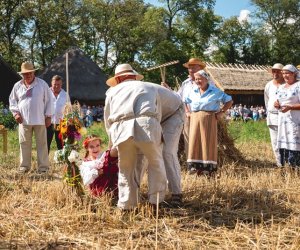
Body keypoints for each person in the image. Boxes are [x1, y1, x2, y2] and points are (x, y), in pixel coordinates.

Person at [104, 63, 167, 210]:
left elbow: (108, 119)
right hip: (148, 124)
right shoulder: (150, 87)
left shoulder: (111, 92)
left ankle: (126, 205)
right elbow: (158, 113)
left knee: (125, 168)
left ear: (118, 79)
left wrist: (112, 142)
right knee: (156, 163)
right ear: (133, 76)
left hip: (121, 127)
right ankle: (155, 202)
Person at [135, 85, 185, 207]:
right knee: (141, 152)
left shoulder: (144, 90)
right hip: (155, 117)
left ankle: (176, 193)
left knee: (167, 152)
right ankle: (133, 193)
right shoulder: (122, 94)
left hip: (174, 113)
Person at [185, 70, 233, 175]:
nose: (198, 81)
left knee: (207, 142)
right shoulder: (193, 91)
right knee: (194, 141)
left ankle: (207, 169)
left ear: (206, 79)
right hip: (194, 119)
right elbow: (185, 101)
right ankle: (194, 168)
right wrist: (188, 112)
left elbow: (229, 100)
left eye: (200, 79)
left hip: (209, 118)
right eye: (196, 79)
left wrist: (221, 112)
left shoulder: (215, 91)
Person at [9, 62, 53, 174]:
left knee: (42, 144)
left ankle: (43, 168)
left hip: (40, 119)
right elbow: (12, 101)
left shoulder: (42, 84)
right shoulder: (17, 86)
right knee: (24, 143)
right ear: (22, 74)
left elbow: (49, 101)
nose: (28, 75)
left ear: (34, 72)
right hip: (23, 120)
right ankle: (24, 166)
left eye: (30, 73)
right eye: (25, 73)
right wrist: (16, 113)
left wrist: (48, 116)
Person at [162, 58, 206, 157]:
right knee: (189, 140)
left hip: (202, 115)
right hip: (187, 115)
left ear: (200, 69)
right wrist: (168, 89)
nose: (191, 70)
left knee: (202, 140)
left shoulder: (207, 82)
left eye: (194, 67)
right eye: (190, 68)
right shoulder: (186, 83)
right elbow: (178, 97)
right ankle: (191, 163)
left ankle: (203, 165)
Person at [274, 64, 300, 168]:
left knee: (294, 141)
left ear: (294, 74)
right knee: (283, 142)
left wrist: (291, 107)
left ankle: (295, 168)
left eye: (287, 73)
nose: (285, 75)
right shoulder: (281, 87)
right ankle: (285, 167)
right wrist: (276, 104)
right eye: (283, 73)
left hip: (295, 121)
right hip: (282, 120)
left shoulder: (298, 86)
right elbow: (278, 100)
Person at [264, 63, 285, 166]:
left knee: (286, 142)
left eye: (278, 71)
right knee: (275, 143)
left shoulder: (287, 85)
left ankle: (289, 164)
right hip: (272, 117)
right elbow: (266, 101)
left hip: (285, 116)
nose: (275, 73)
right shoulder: (268, 85)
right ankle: (280, 165)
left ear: (282, 72)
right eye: (274, 71)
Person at [47, 75, 70, 153]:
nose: (56, 86)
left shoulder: (65, 95)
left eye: (58, 84)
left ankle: (61, 160)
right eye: (54, 84)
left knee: (61, 143)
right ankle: (44, 162)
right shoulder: (46, 93)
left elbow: (68, 109)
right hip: (48, 122)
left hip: (61, 122)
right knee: (46, 142)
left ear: (61, 84)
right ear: (51, 83)